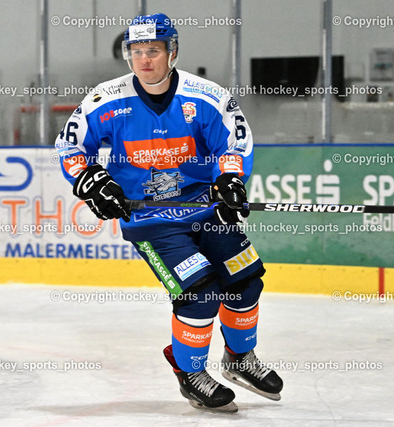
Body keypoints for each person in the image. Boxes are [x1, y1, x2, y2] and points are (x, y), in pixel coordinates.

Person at [55, 13, 282, 413]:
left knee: (245, 281)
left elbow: (232, 142)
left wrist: (229, 179)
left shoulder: (206, 96)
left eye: (153, 50)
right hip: (151, 220)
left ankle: (240, 359)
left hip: (206, 210)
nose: (144, 60)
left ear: (172, 52)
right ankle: (190, 372)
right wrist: (90, 179)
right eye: (136, 51)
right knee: (199, 293)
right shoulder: (106, 99)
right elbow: (71, 147)